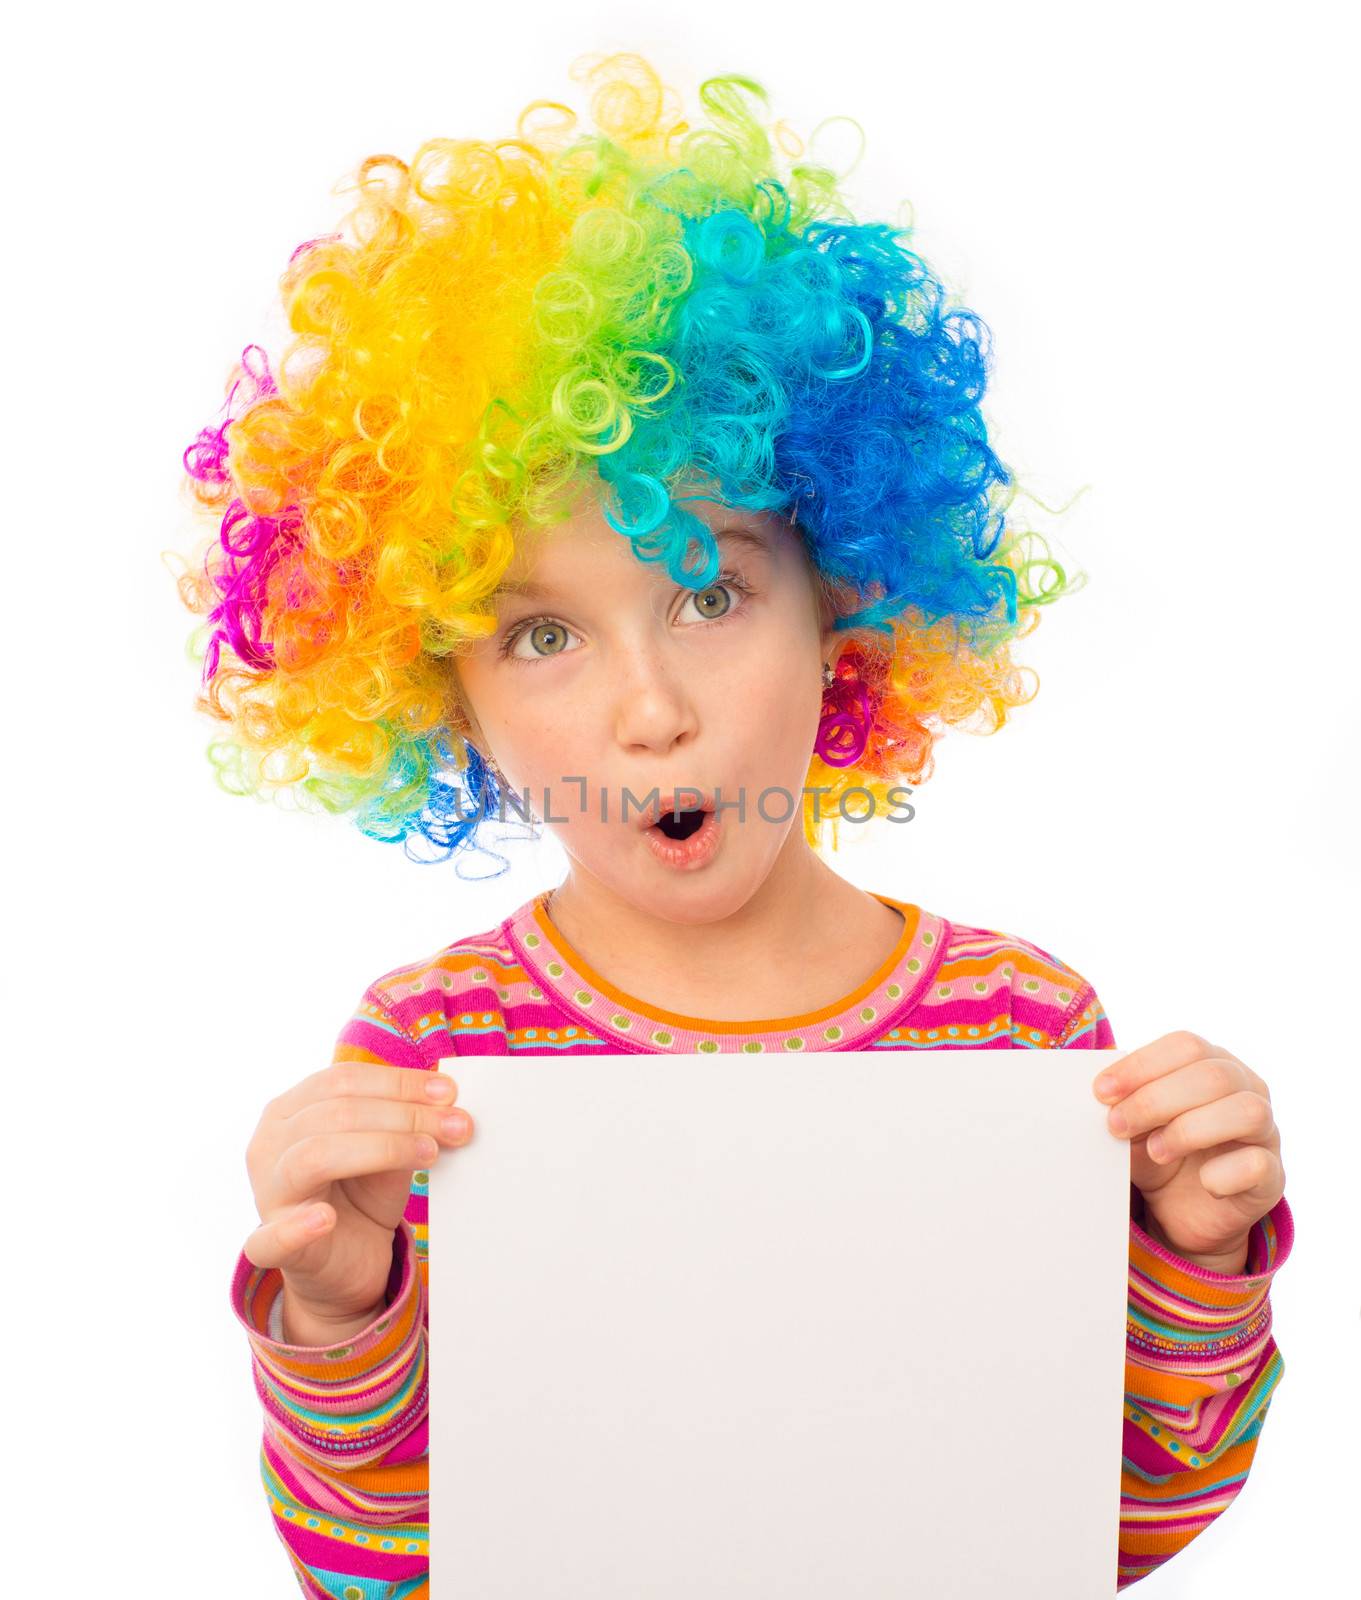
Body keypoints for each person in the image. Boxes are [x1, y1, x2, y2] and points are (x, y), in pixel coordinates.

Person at [174, 52, 1293, 1599]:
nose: (648, 711)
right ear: (443, 698)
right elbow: (373, 1567)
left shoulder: (1023, 1030)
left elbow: (1113, 1530)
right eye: (541, 638)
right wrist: (334, 1308)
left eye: (707, 592)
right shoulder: (431, 1049)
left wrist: (1196, 1255)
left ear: (841, 609)